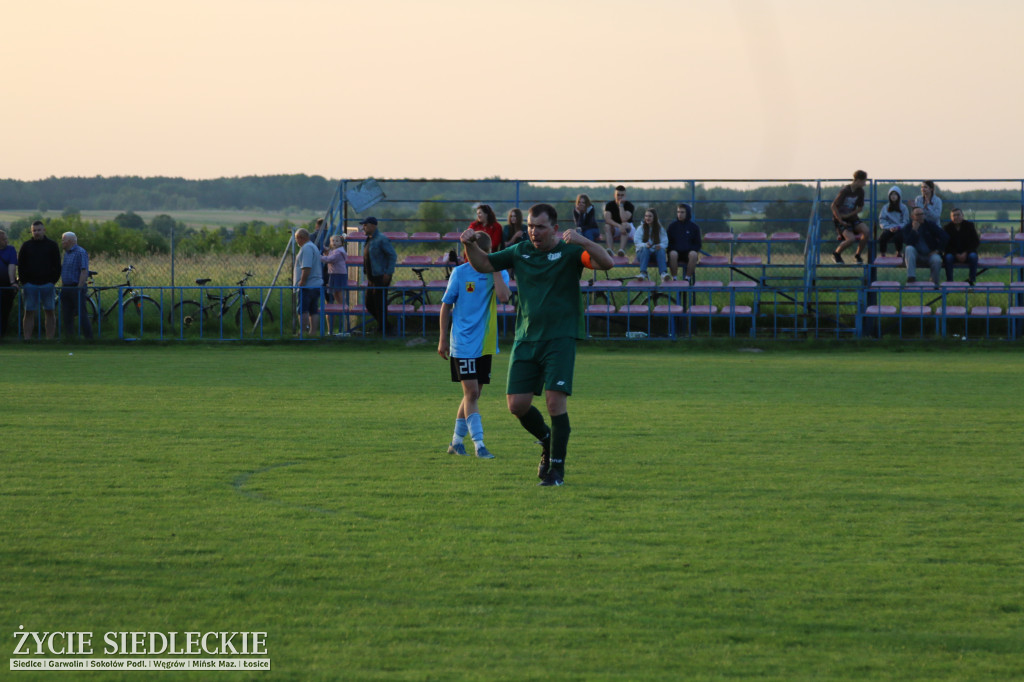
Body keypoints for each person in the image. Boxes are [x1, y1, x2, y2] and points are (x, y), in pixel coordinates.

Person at [460, 203, 614, 487]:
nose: (533, 231)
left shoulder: (570, 251)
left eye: (540, 227)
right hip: (526, 338)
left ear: (555, 228)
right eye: (530, 226)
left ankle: (557, 471)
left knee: (555, 403)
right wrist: (469, 244)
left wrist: (583, 240)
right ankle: (546, 440)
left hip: (560, 338)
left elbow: (606, 263)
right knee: (517, 406)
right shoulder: (520, 251)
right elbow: (483, 263)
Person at [438, 231, 512, 460]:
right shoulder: (460, 273)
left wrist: (495, 268)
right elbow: (446, 305)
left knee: (474, 394)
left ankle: (456, 443)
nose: (467, 255)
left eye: (471, 250)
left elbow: (504, 297)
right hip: (462, 342)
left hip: (485, 343)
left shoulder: (498, 273)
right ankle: (479, 445)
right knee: (470, 392)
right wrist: (442, 339)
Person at [18, 220, 61, 340]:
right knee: (29, 312)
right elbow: (21, 265)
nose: (36, 232)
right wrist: (24, 282)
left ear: (44, 230)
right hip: (29, 285)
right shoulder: (26, 246)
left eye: (39, 230)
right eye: (34, 230)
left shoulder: (52, 245)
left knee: (50, 312)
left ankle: (50, 339)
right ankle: (27, 339)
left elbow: (57, 265)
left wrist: (52, 281)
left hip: (48, 285)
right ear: (31, 232)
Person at [360, 217, 397, 335]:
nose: (363, 227)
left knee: (379, 304)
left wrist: (388, 272)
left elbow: (392, 256)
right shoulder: (369, 240)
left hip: (380, 276)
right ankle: (386, 327)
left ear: (372, 226)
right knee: (369, 304)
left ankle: (384, 329)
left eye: (365, 225)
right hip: (371, 278)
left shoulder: (382, 239)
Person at [830, 170, 869, 264]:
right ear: (858, 180)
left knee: (866, 231)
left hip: (852, 218)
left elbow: (860, 208)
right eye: (864, 181)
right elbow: (833, 206)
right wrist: (840, 220)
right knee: (851, 239)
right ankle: (836, 254)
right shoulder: (845, 191)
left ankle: (857, 255)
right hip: (840, 220)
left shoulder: (860, 192)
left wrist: (849, 215)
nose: (865, 184)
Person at [901, 206, 948, 285]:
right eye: (918, 215)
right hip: (916, 256)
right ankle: (911, 278)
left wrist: (938, 250)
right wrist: (914, 230)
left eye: (922, 214)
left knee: (937, 260)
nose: (921, 216)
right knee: (909, 248)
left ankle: (934, 284)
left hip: (930, 254)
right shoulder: (908, 227)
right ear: (912, 216)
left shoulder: (930, 225)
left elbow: (945, 236)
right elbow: (908, 242)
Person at [58, 232, 92, 339]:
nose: (62, 242)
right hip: (66, 287)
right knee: (67, 315)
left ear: (70, 241)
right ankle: (70, 338)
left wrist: (79, 287)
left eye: (63, 240)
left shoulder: (80, 252)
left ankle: (89, 338)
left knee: (82, 314)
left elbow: (84, 271)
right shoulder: (67, 253)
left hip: (76, 287)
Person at [293, 228, 324, 336]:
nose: (296, 241)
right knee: (313, 310)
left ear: (301, 238)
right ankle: (313, 333)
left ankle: (302, 332)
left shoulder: (306, 248)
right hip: (316, 284)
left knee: (303, 309)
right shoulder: (313, 246)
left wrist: (302, 281)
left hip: (307, 285)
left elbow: (306, 267)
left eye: (297, 239)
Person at [943, 208, 980, 285]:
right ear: (951, 217)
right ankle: (950, 282)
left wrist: (966, 253)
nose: (956, 217)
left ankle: (971, 280)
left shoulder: (969, 225)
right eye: (954, 215)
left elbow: (975, 242)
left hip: (968, 253)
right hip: (953, 254)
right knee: (948, 258)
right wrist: (956, 254)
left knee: (973, 256)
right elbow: (945, 245)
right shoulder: (947, 228)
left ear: (962, 216)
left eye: (958, 215)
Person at [666, 203, 701, 281]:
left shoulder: (694, 227)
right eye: (678, 212)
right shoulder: (672, 226)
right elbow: (668, 243)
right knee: (673, 254)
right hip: (675, 252)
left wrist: (689, 249)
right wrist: (675, 248)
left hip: (688, 253)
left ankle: (687, 279)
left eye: (682, 212)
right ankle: (674, 278)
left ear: (687, 213)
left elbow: (698, 244)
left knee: (694, 254)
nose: (680, 214)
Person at [635, 208, 670, 282]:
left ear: (654, 217)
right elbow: (637, 242)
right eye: (646, 216)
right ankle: (643, 273)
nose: (647, 218)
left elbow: (665, 242)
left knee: (661, 250)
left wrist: (660, 245)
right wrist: (645, 245)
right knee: (645, 249)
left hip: (655, 254)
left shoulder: (660, 229)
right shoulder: (641, 228)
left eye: (650, 216)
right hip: (642, 254)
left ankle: (663, 274)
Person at [877, 185, 909, 257]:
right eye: (891, 194)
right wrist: (889, 227)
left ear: (899, 196)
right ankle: (883, 253)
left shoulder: (903, 207)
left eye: (895, 194)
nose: (893, 196)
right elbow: (882, 219)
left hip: (900, 228)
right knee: (883, 237)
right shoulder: (885, 207)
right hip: (889, 228)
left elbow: (906, 221)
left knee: (898, 237)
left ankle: (899, 252)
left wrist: (899, 227)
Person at [603, 185, 635, 257]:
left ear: (625, 195)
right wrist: (618, 226)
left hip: (628, 229)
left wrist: (621, 206)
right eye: (618, 195)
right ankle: (610, 250)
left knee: (625, 225)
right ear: (615, 195)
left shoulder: (630, 205)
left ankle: (621, 250)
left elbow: (624, 219)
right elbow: (607, 219)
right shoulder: (609, 205)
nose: (620, 197)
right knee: (607, 226)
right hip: (616, 228)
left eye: (622, 195)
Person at [0, 229, 18, 338]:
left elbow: (12, 266)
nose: (7, 241)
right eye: (4, 239)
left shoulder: (11, 250)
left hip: (6, 286)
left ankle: (2, 334)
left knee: (5, 311)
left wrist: (12, 282)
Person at [320, 234, 348, 305]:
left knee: (339, 293)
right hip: (334, 274)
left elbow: (330, 259)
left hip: (339, 275)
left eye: (337, 241)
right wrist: (324, 253)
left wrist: (320, 257)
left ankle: (343, 307)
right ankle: (340, 306)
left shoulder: (339, 252)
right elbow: (328, 256)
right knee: (335, 293)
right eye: (332, 241)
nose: (334, 242)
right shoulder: (334, 251)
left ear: (341, 243)